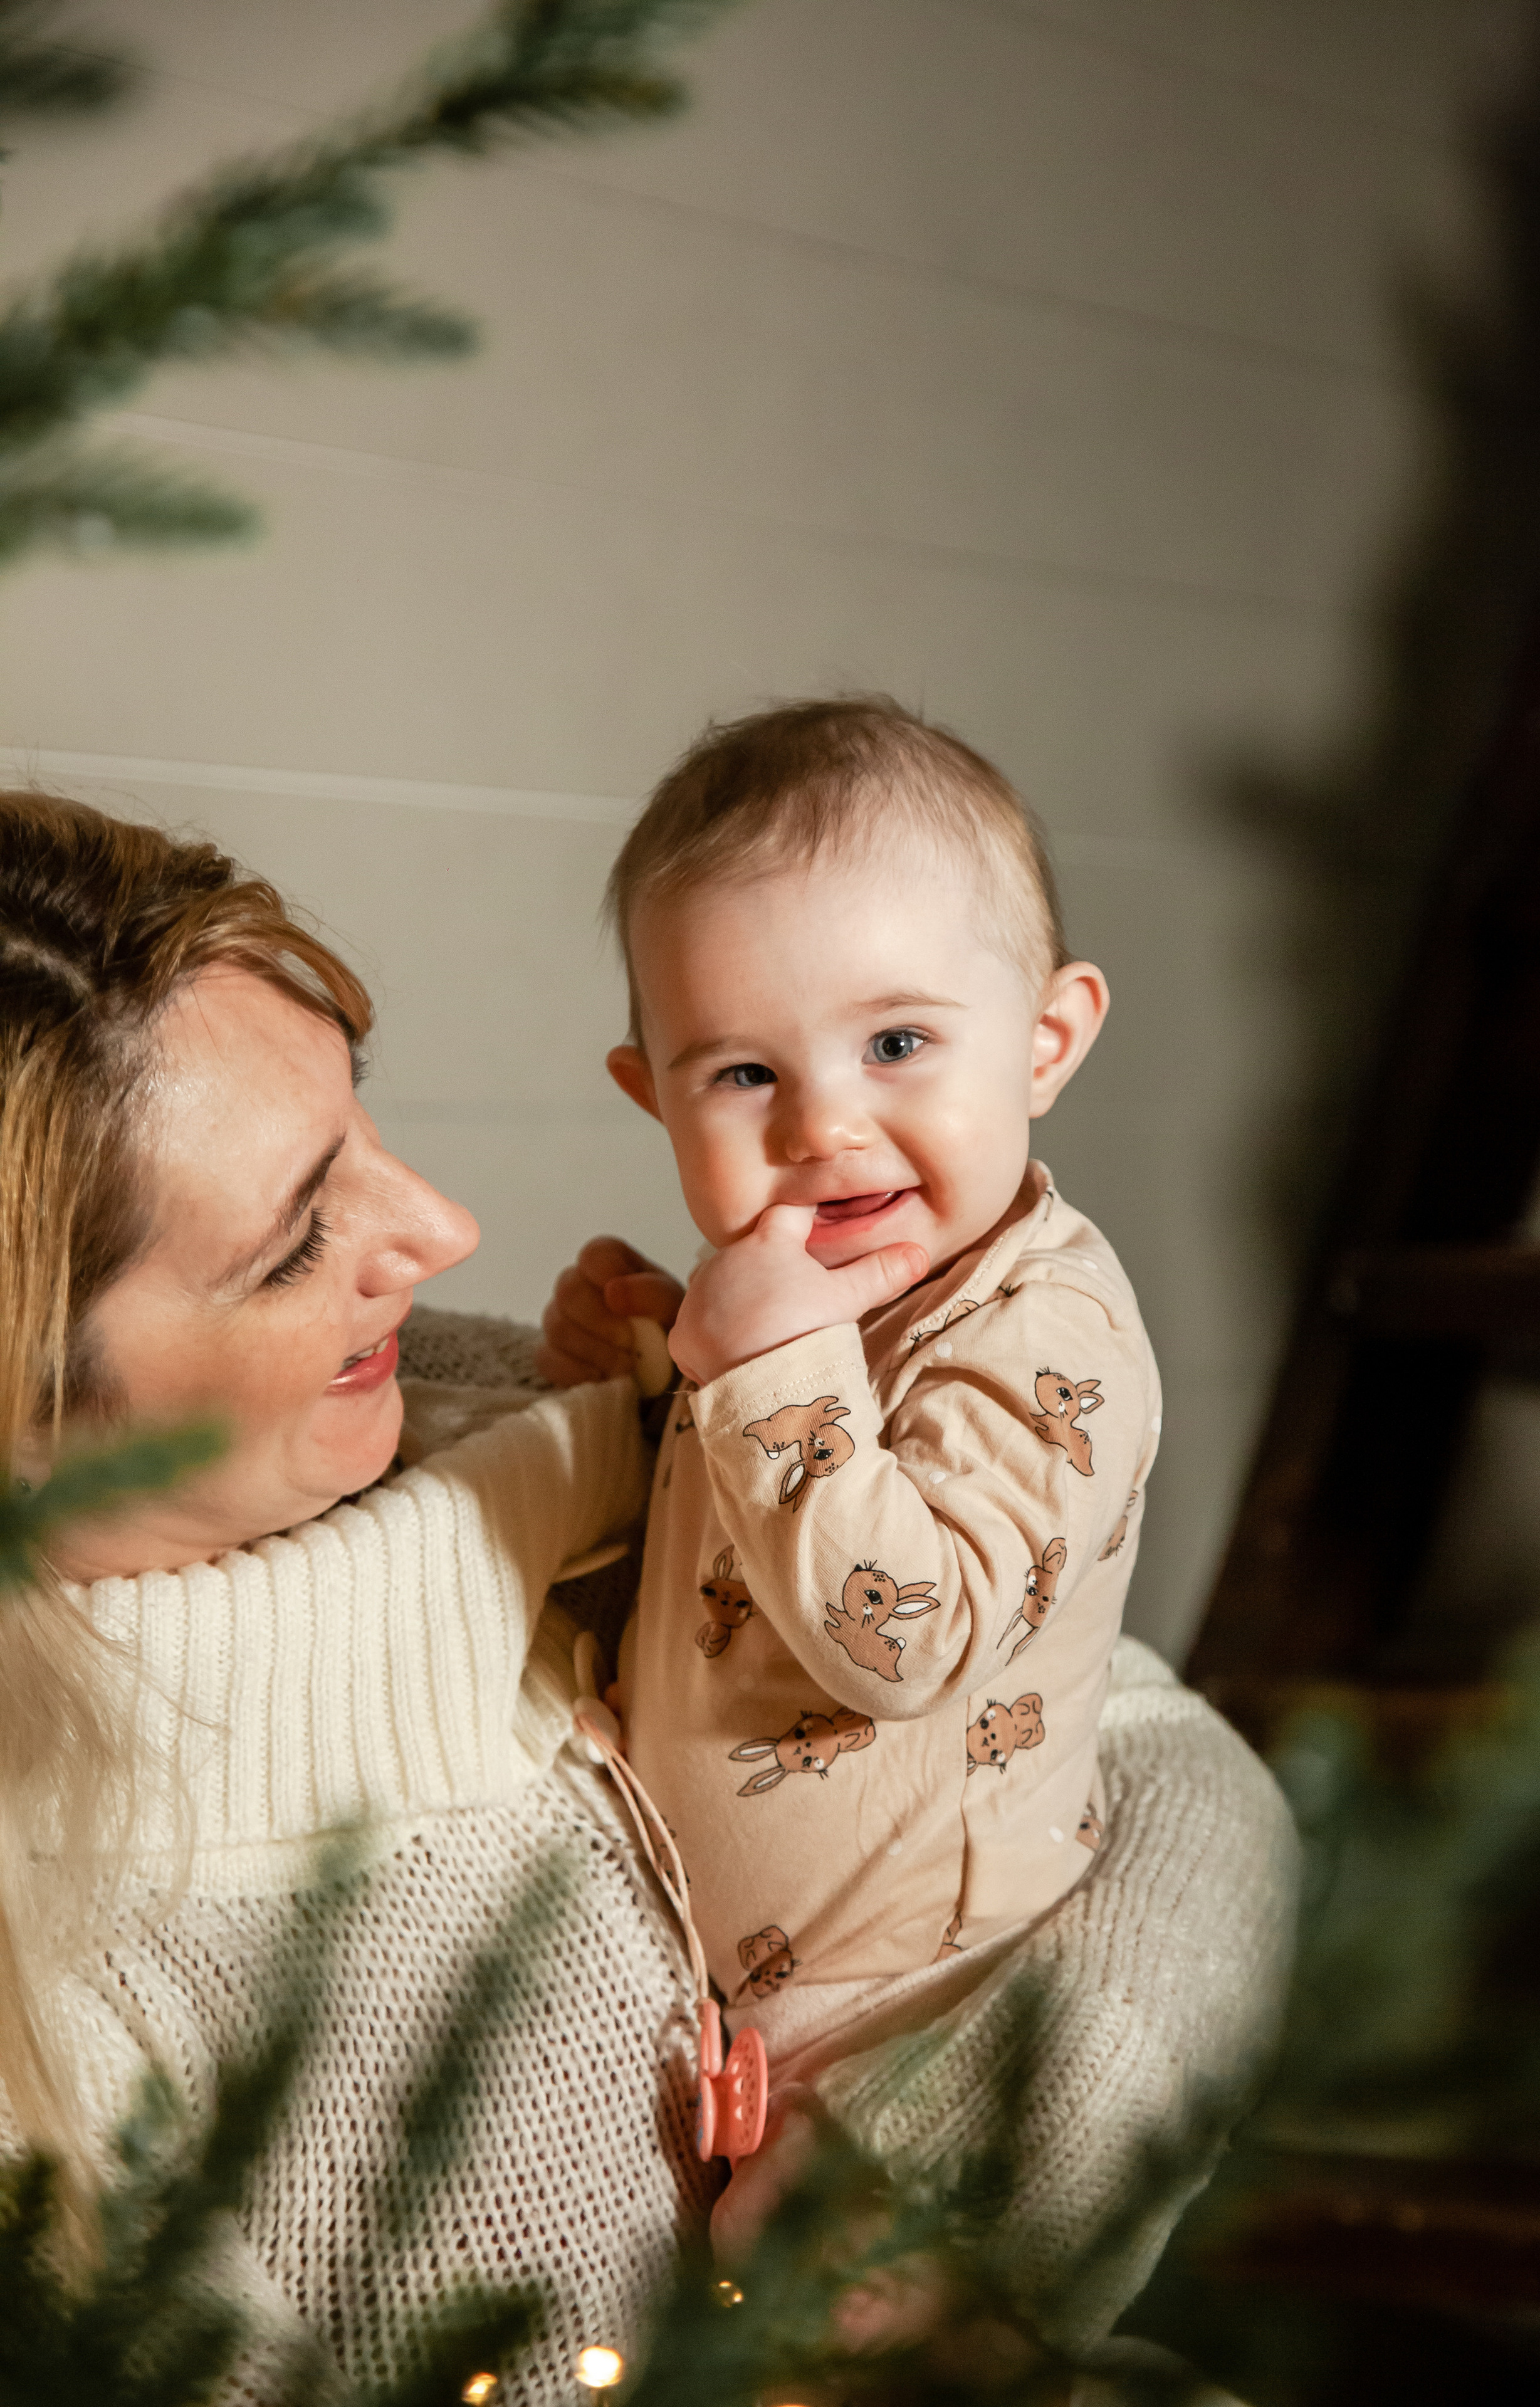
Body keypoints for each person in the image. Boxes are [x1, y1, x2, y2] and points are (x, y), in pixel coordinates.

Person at [0, 790, 715, 2396]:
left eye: (363, 1125)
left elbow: (1160, 1757)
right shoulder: (52, 2023)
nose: (445, 1229)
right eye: (291, 1245)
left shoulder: (516, 1399)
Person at [537, 698, 1164, 2241]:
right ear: (653, 1096)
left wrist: (754, 1371)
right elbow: (722, 1550)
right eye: (743, 1074)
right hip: (733, 1980)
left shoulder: (1050, 1334)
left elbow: (903, 1631)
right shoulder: (793, 1297)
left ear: (1045, 1040)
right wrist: (639, 1364)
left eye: (897, 1043)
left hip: (920, 2005)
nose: (826, 1126)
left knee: (845, 2329)